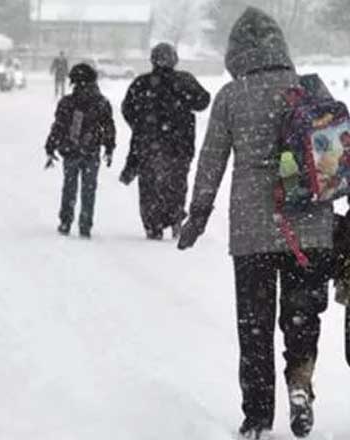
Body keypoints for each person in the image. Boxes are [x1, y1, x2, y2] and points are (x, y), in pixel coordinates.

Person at [177, 8, 333, 439]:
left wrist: (197, 216)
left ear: (236, 52)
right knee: (302, 317)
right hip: (312, 229)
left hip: (253, 233)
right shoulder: (308, 90)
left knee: (255, 326)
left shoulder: (231, 96)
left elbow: (211, 163)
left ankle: (258, 418)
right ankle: (300, 385)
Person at [120, 42, 210, 240]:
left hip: (148, 145)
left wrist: (141, 125)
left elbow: (127, 109)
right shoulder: (184, 80)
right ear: (174, 60)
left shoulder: (141, 83)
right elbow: (203, 101)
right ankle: (175, 216)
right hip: (180, 145)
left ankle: (153, 225)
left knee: (149, 186)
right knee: (176, 183)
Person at [44, 63, 116, 239]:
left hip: (71, 151)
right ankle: (85, 224)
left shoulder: (68, 102)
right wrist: (109, 147)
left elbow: (58, 127)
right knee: (89, 189)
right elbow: (109, 127)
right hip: (91, 152)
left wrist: (51, 146)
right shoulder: (101, 102)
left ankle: (66, 221)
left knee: (69, 187)